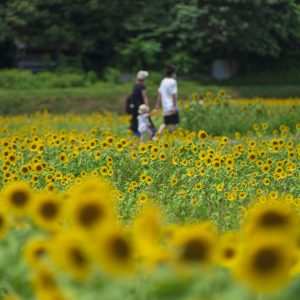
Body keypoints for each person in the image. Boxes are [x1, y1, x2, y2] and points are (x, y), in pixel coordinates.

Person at [155, 65, 179, 134]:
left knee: (166, 122)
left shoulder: (163, 81)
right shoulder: (173, 81)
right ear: (173, 73)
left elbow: (159, 93)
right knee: (173, 123)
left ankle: (156, 136)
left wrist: (157, 104)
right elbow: (173, 94)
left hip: (165, 106)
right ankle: (174, 138)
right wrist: (174, 106)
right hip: (172, 106)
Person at [129, 70, 150, 137]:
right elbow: (145, 97)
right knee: (145, 121)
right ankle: (149, 135)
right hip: (141, 107)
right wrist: (146, 107)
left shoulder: (135, 86)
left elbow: (132, 95)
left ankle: (135, 134)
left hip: (135, 107)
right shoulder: (142, 86)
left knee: (135, 121)